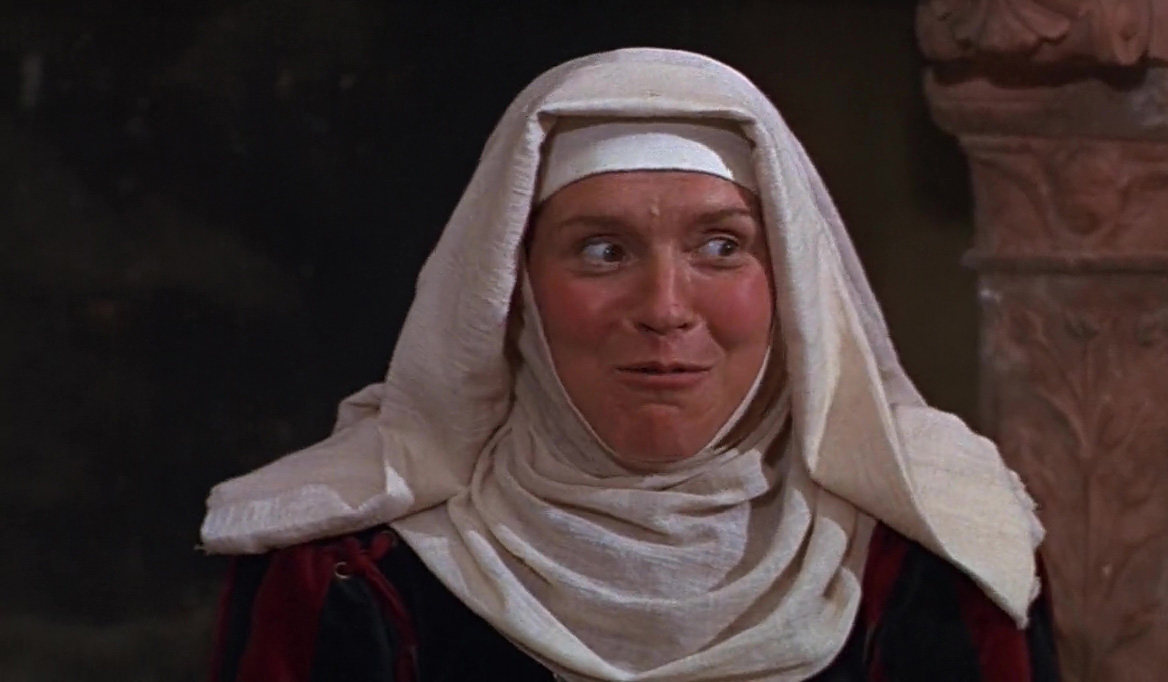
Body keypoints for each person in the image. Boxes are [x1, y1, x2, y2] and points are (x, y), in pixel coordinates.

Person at [202, 48, 1058, 681]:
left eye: (721, 247)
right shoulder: (350, 569)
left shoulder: (936, 556)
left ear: (793, 285)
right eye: (602, 251)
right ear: (514, 291)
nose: (665, 307)